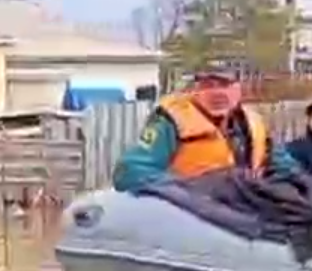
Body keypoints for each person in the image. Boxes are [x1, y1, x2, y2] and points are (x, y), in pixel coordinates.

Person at [112, 60, 299, 192]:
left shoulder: (254, 123)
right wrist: (188, 189)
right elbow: (130, 172)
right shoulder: (171, 121)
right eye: (208, 85)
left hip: (245, 215)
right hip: (191, 217)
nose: (217, 93)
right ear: (195, 90)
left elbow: (285, 168)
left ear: (239, 89)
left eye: (225, 84)